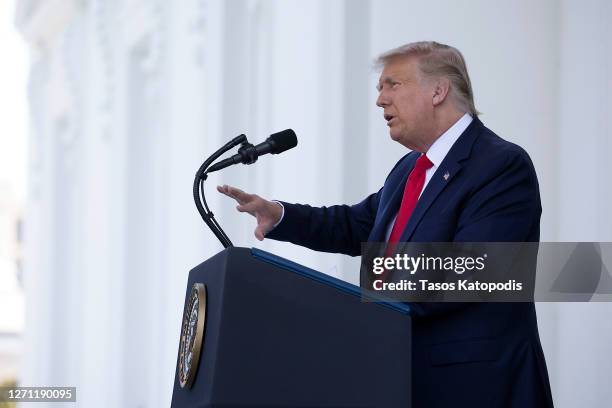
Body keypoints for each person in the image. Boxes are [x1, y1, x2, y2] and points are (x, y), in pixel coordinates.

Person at [217, 41, 554, 408]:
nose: (380, 99)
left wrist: (359, 306)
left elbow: (476, 269)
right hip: (401, 381)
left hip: (475, 387)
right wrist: (280, 215)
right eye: (380, 88)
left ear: (438, 90)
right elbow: (355, 223)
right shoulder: (408, 171)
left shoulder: (500, 165)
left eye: (392, 84)